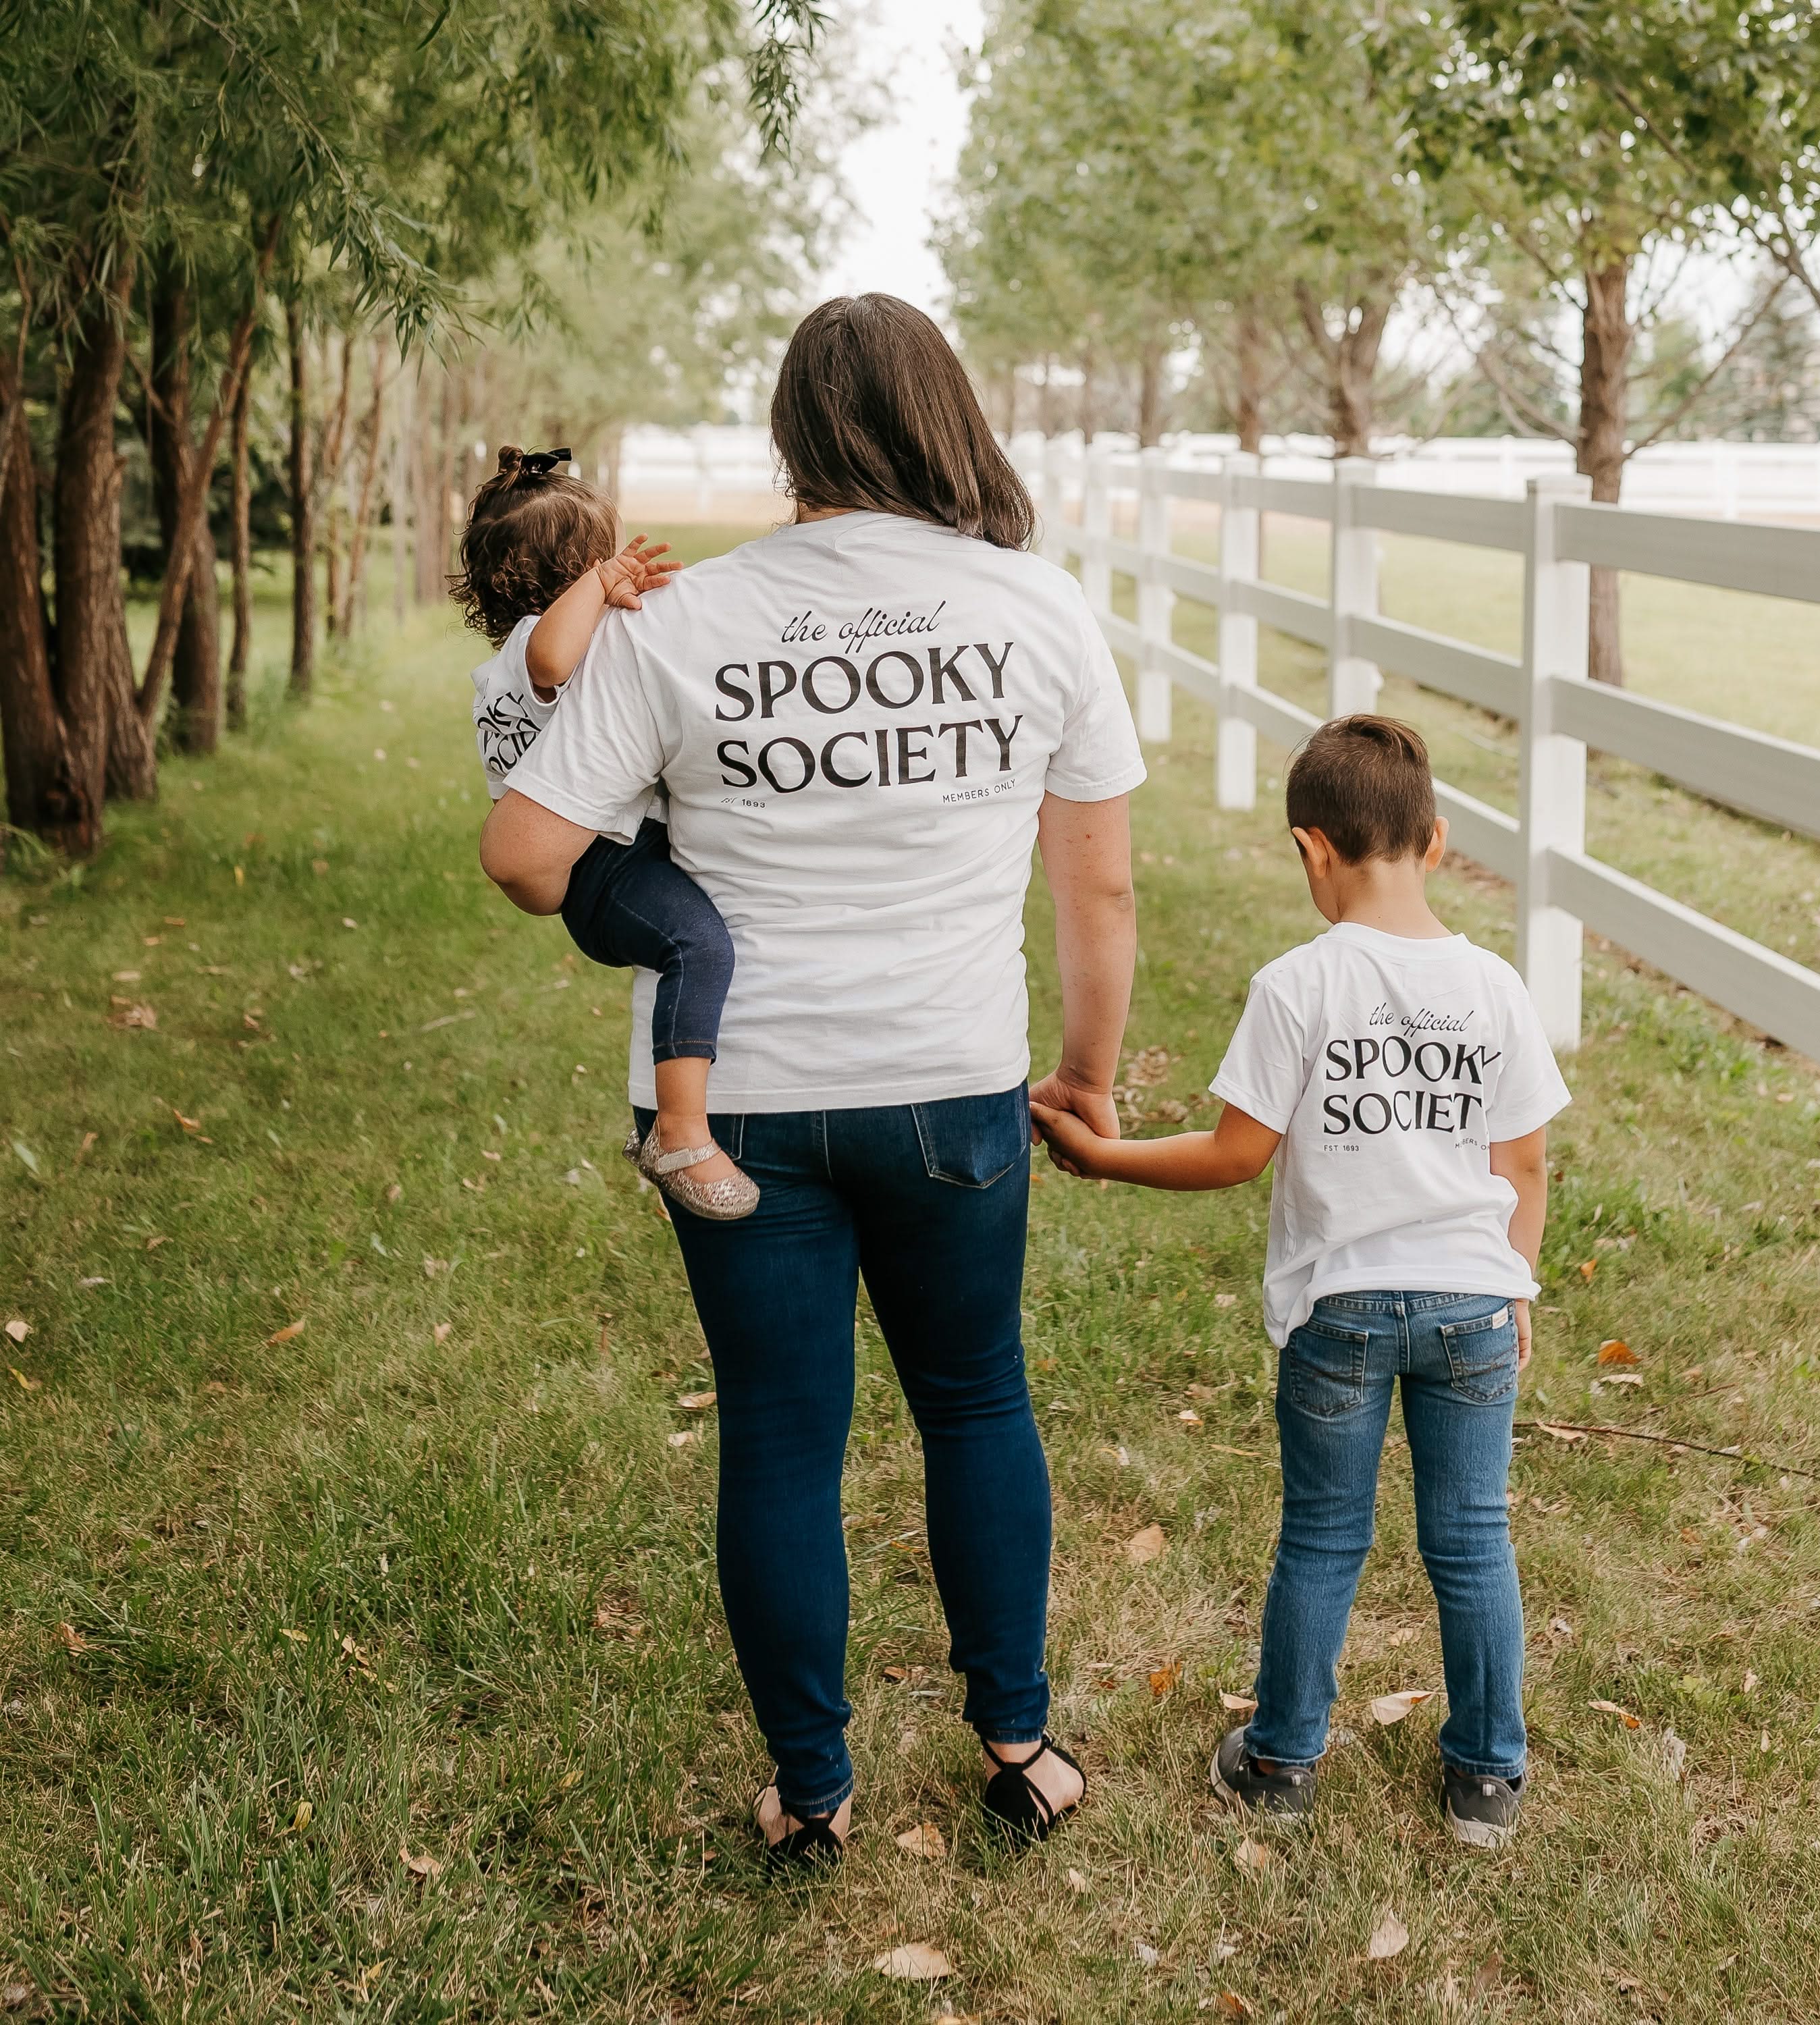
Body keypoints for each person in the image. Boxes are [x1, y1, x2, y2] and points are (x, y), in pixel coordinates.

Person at [477, 295, 1144, 1866]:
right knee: (975, 1397)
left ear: (791, 438)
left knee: (781, 1432)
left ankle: (810, 1789)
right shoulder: (1034, 607)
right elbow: (1099, 891)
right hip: (952, 1083)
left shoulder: (683, 617)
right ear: (943, 418)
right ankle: (1020, 1743)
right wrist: (1087, 1077)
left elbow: (522, 854)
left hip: (741, 1098)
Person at [1032, 716, 1568, 1849]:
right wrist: (1513, 1286)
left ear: (1310, 849)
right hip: (1474, 1304)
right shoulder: (1495, 986)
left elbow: (1236, 1153)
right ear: (1435, 843)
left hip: (1347, 1310)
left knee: (1325, 1537)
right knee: (1472, 1537)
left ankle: (1280, 1763)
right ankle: (1486, 1779)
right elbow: (1522, 1164)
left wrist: (1106, 1157)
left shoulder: (1299, 985)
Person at [458, 446, 757, 1218]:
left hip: (592, 868)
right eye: (603, 561)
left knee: (688, 949)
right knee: (701, 946)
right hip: (602, 862)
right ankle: (680, 1133)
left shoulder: (501, 666)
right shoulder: (537, 644)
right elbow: (558, 653)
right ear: (575, 570)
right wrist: (601, 588)